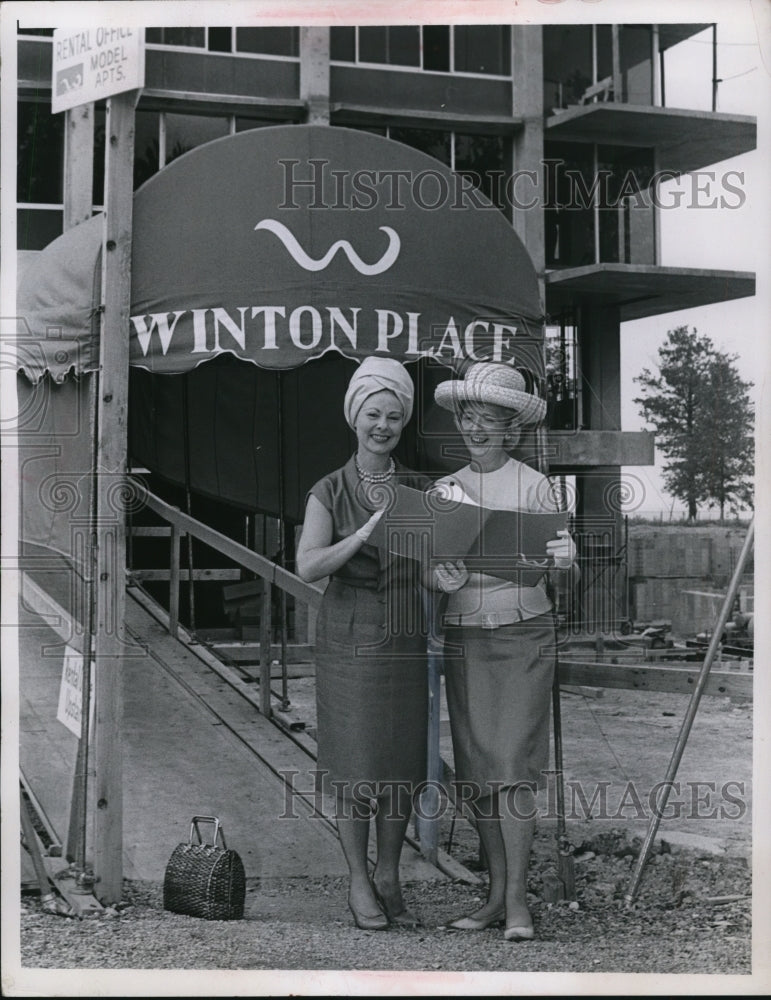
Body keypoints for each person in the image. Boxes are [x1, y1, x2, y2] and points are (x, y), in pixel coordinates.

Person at [428, 361, 577, 942]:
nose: (476, 429)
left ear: (512, 429)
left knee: (513, 770)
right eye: (469, 417)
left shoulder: (537, 486)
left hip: (523, 636)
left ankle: (518, 902)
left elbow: (561, 572)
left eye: (489, 420)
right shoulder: (444, 491)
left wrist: (567, 560)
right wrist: (437, 576)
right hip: (466, 638)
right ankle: (494, 896)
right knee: (476, 774)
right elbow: (429, 575)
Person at [296, 356, 430, 931]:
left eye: (394, 417)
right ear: (354, 416)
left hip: (403, 633)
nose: (383, 425)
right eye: (374, 414)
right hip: (348, 633)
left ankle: (391, 874)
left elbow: (432, 563)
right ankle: (358, 880)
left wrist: (441, 575)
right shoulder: (327, 490)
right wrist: (363, 534)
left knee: (400, 763)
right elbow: (307, 566)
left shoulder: (421, 488)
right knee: (354, 765)